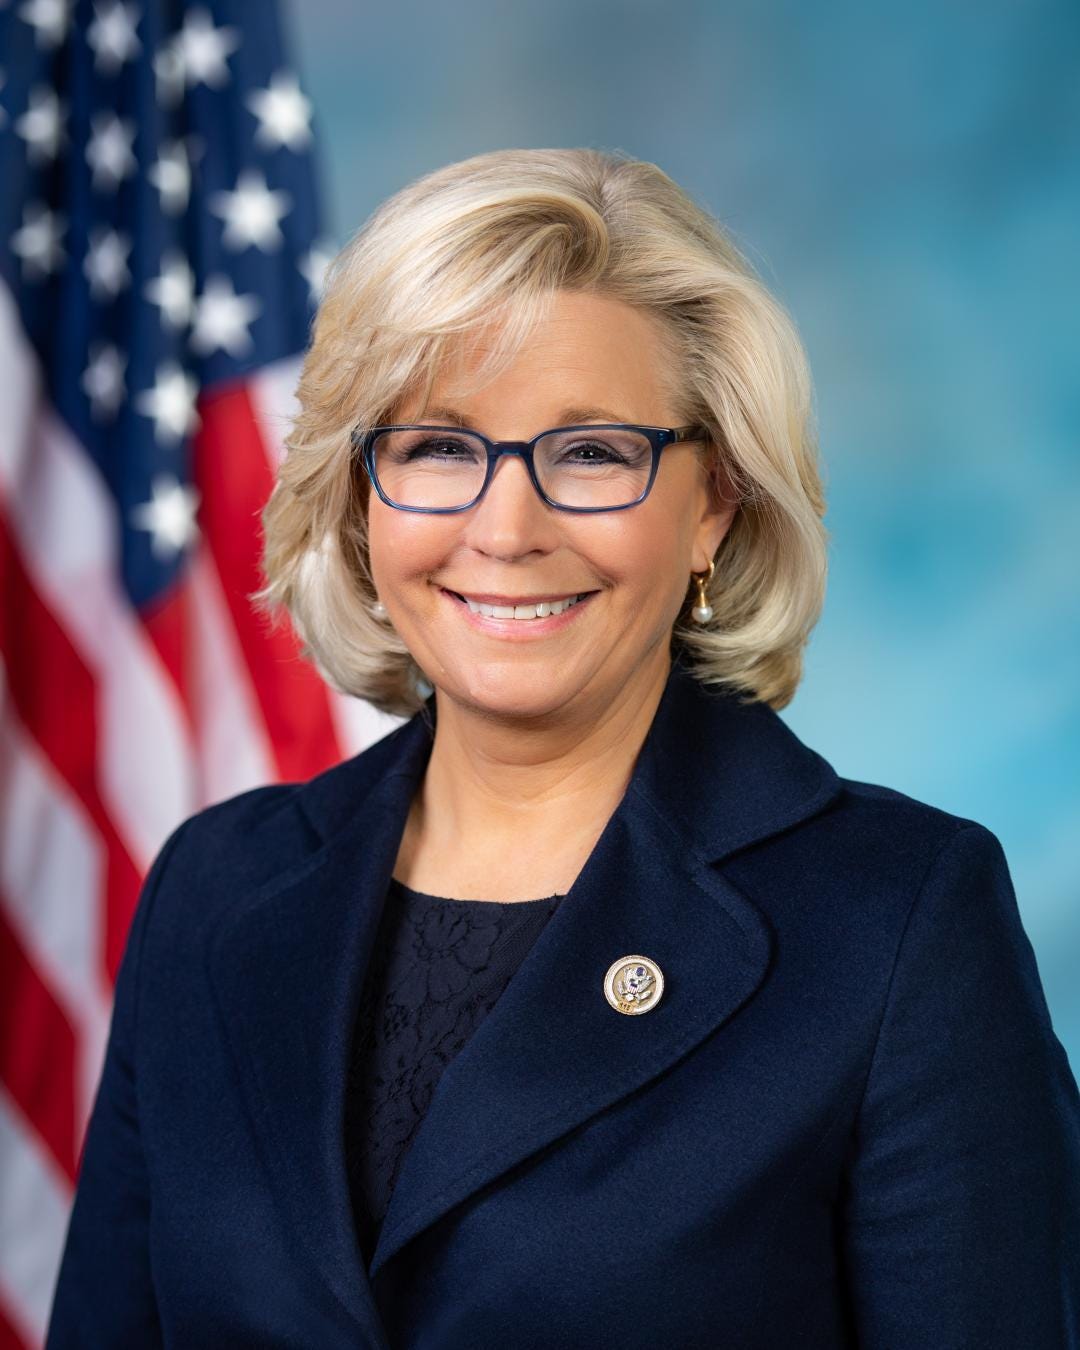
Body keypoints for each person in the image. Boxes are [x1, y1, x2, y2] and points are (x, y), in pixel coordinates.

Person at [46, 147, 1080, 1349]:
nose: (506, 527)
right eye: (438, 445)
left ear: (715, 503)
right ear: (357, 497)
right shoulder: (214, 892)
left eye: (592, 452)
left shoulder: (898, 921)